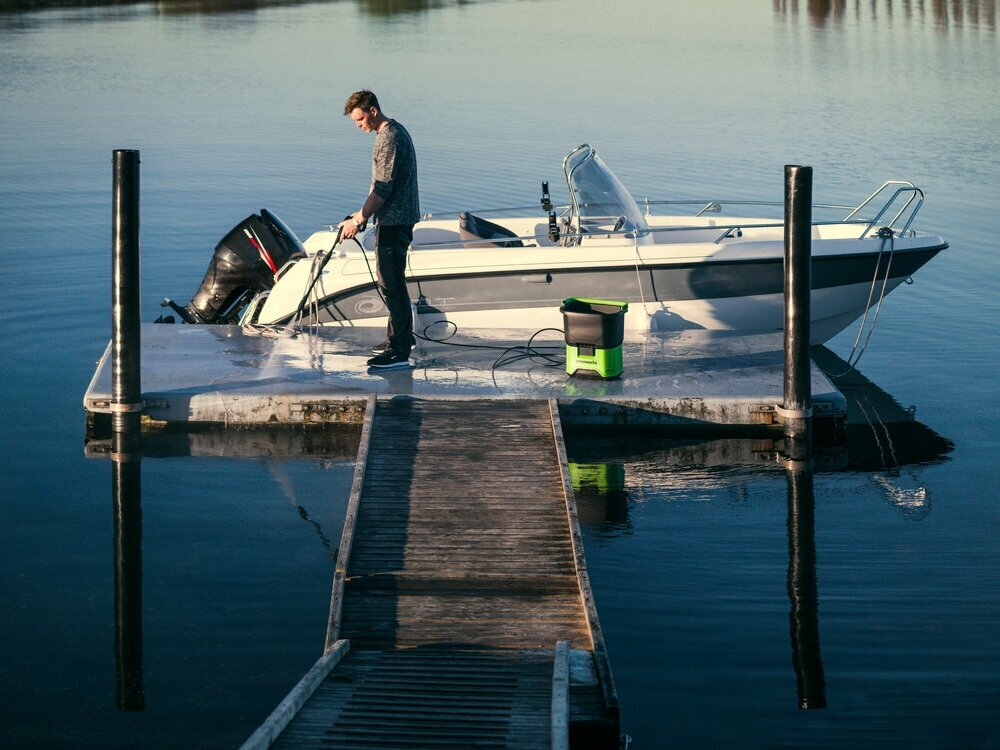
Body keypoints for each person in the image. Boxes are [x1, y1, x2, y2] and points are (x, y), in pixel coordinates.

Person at [338, 90, 420, 370]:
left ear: (373, 111)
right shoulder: (390, 133)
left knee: (391, 283)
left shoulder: (389, 138)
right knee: (391, 280)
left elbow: (383, 189)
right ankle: (399, 338)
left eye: (360, 119)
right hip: (393, 219)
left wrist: (358, 220)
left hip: (395, 221)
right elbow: (381, 186)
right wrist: (358, 213)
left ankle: (399, 351)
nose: (358, 125)